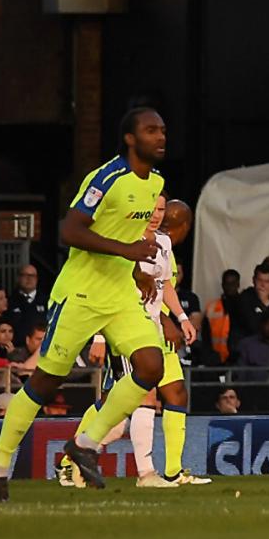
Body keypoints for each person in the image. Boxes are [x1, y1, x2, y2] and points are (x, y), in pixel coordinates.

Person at [0, 106, 170, 502]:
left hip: (119, 293)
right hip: (81, 294)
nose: (161, 137)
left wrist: (136, 271)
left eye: (163, 130)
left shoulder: (155, 183)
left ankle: (85, 443)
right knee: (46, 381)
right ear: (130, 138)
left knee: (151, 365)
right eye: (151, 130)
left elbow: (128, 233)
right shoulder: (106, 177)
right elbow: (69, 230)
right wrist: (127, 251)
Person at [88, 197, 208, 489]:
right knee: (142, 400)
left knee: (126, 411)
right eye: (152, 209)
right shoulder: (123, 240)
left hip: (150, 329)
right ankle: (145, 474)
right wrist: (100, 336)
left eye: (160, 210)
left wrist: (181, 318)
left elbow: (164, 285)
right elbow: (104, 286)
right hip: (125, 328)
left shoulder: (163, 244)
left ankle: (80, 453)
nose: (156, 215)